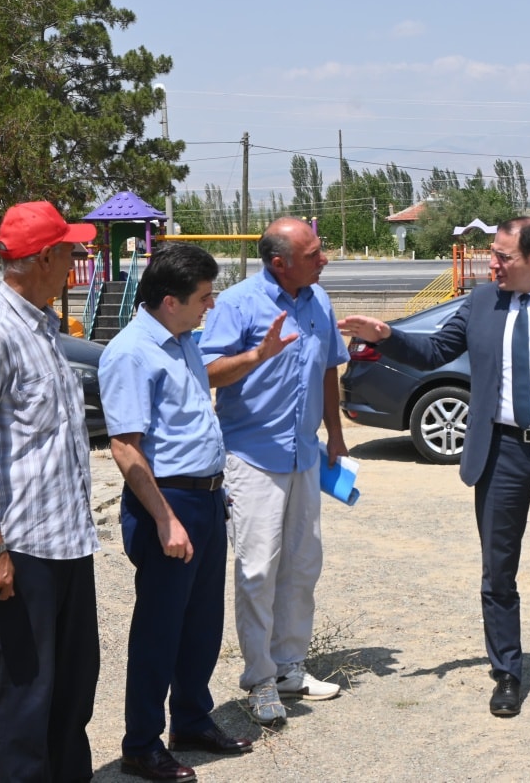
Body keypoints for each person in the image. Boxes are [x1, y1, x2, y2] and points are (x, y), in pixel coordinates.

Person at [338, 217, 530, 717]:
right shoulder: (482, 302)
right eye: (492, 253)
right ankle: (507, 673)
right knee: (498, 571)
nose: (491, 263)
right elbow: (435, 351)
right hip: (500, 453)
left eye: (502, 256)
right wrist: (387, 335)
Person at [0, 200, 100, 782]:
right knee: (26, 699)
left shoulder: (42, 329)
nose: (75, 261)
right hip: (23, 553)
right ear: (41, 259)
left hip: (68, 545)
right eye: (68, 251)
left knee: (72, 692)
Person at [99, 244, 256, 782]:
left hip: (207, 497)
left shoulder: (183, 340)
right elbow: (126, 447)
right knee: (159, 631)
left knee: (201, 625)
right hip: (167, 502)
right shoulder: (130, 353)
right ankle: (141, 744)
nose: (209, 307)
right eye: (204, 298)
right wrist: (166, 518)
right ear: (170, 301)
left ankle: (190, 719)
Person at [198, 217, 349, 726]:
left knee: (303, 565)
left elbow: (329, 366)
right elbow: (206, 371)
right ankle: (260, 679)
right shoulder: (239, 303)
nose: (323, 259)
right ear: (279, 262)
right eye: (314, 254)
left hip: (304, 454)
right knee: (258, 568)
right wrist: (256, 355)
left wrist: (337, 434)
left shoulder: (319, 301)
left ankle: (289, 666)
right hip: (250, 456)